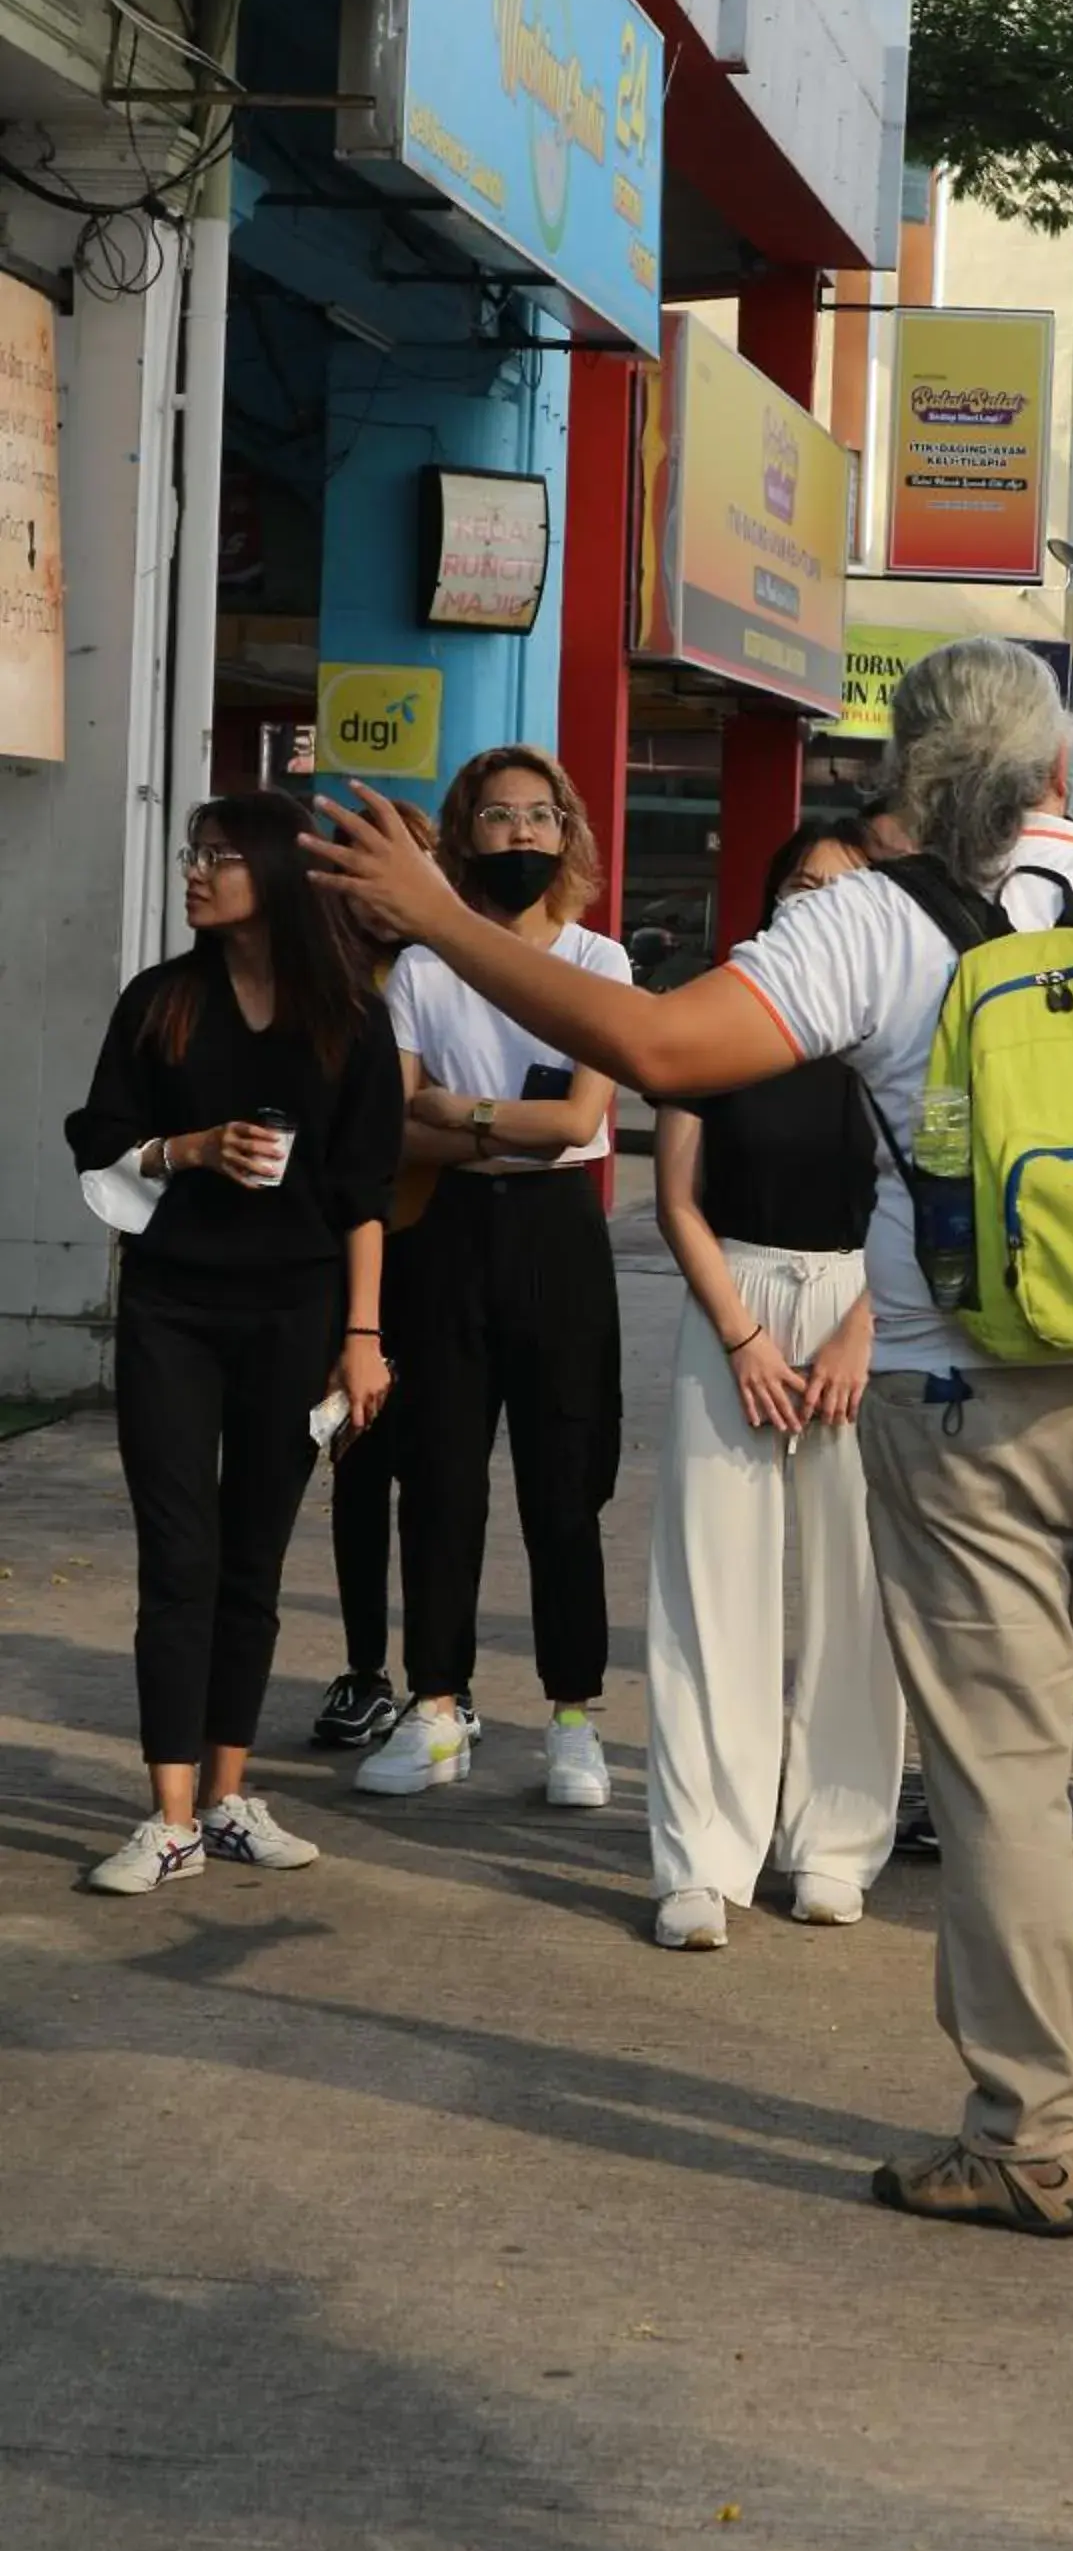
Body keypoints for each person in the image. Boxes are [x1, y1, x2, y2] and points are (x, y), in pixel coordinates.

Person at [305, 638, 1073, 2236]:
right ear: (1058, 773)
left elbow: (657, 1053)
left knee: (1004, 1770)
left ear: (909, 785)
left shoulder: (863, 926)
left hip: (955, 1395)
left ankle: (1034, 2139)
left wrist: (444, 924)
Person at [66, 794, 402, 1893]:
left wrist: (362, 1339)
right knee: (180, 1556)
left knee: (253, 1557)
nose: (196, 873)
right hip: (172, 1307)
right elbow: (103, 1143)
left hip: (297, 1313)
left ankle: (226, 1795)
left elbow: (362, 1195)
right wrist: (188, 1148)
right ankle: (166, 1819)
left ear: (275, 872)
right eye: (191, 855)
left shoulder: (347, 1014)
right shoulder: (160, 1002)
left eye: (218, 856)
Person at [352, 747, 629, 1808]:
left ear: (568, 835)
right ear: (461, 834)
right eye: (496, 816)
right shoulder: (424, 967)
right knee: (439, 1480)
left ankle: (572, 1719)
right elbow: (396, 1122)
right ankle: (435, 1708)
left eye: (538, 816)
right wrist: (493, 1130)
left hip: (560, 1239)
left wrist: (454, 1114)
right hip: (447, 1239)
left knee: (566, 1484)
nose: (518, 834)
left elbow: (577, 1122)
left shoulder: (598, 965)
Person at [647, 821, 904, 1949]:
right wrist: (744, 1336)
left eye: (841, 888)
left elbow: (927, 1195)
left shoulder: (902, 1025)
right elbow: (674, 1198)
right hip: (731, 1296)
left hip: (867, 1298)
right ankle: (702, 1856)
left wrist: (858, 1329)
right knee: (711, 1582)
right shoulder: (716, 1008)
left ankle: (837, 1843)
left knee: (857, 1587)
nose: (816, 901)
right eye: (798, 883)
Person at [309, 801, 451, 1752]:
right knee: (356, 1472)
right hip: (341, 1261)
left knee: (439, 1482)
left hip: (441, 1248)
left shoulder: (452, 974)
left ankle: (444, 1683)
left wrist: (436, 1116)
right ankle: (365, 1670)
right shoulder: (315, 994)